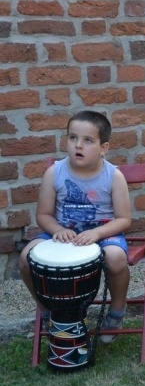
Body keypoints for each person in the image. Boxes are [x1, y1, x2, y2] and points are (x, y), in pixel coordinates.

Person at [19, 110, 132, 343]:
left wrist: (97, 232)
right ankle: (48, 311)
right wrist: (56, 229)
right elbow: (43, 215)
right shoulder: (55, 173)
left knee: (115, 259)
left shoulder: (113, 176)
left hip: (102, 233)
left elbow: (123, 219)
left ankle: (117, 312)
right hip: (62, 234)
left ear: (104, 147)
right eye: (72, 138)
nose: (78, 145)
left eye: (88, 140)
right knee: (25, 259)